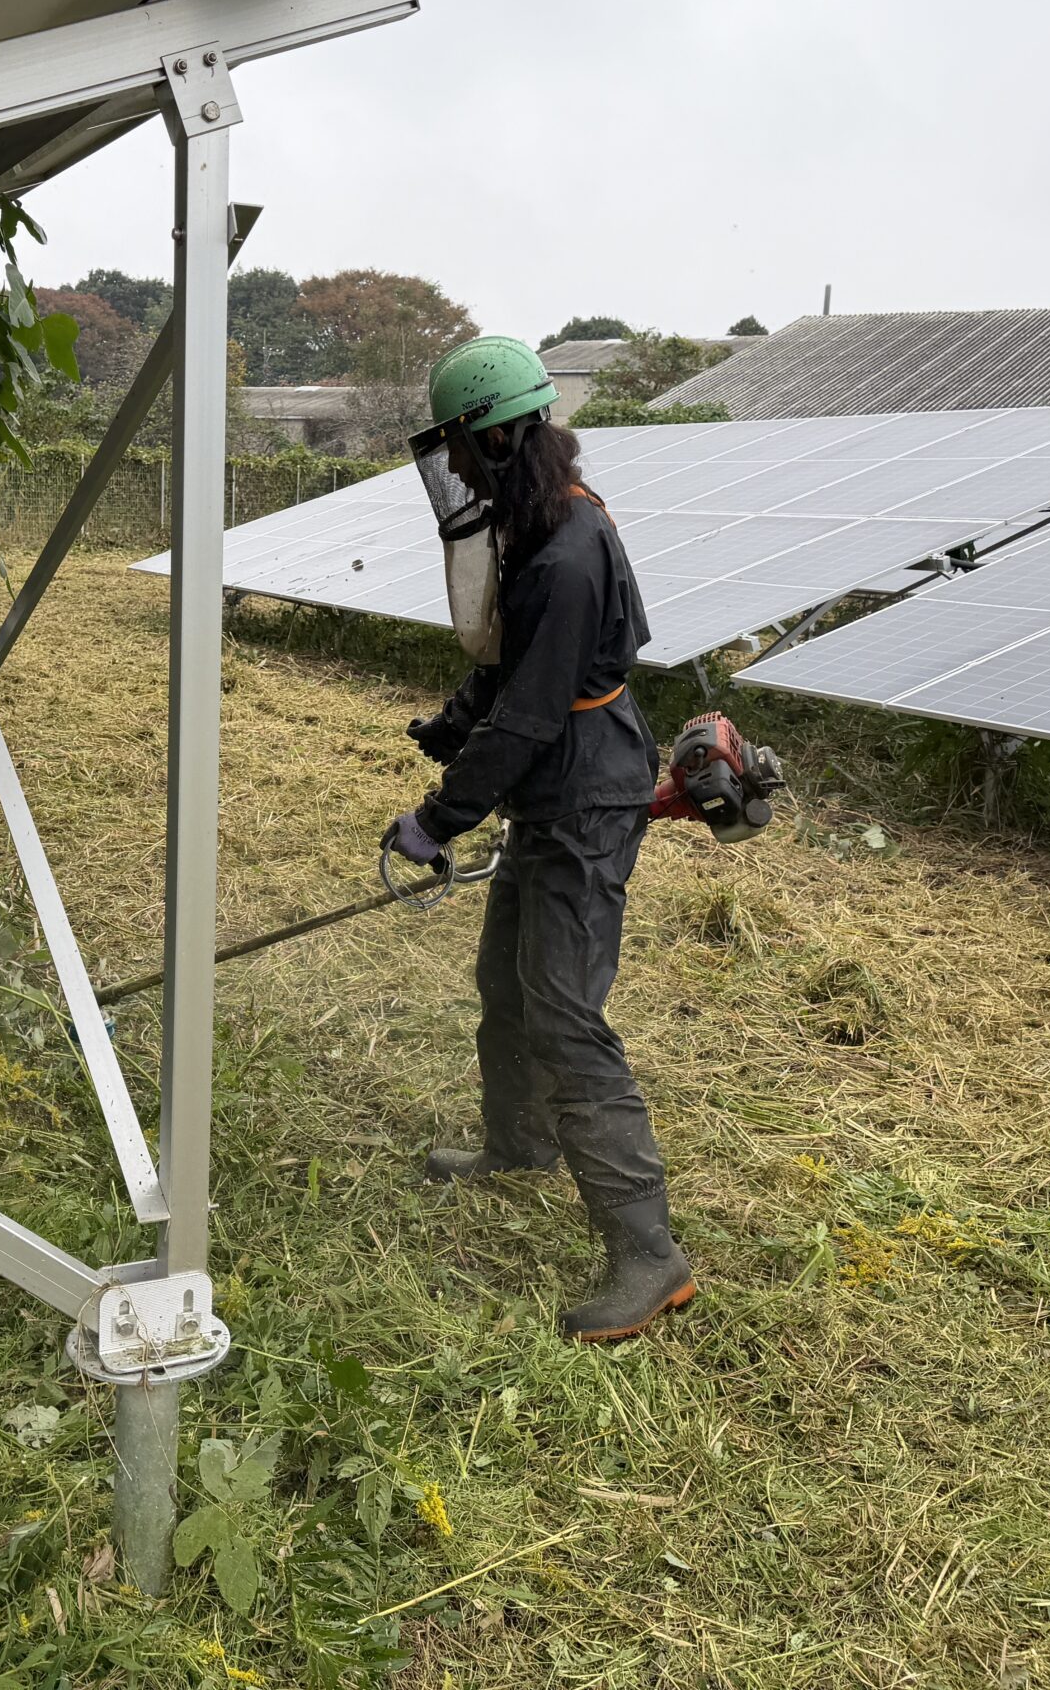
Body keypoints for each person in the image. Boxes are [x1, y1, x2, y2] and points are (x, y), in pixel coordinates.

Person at [382, 335, 695, 1344]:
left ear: (507, 435)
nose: (460, 471)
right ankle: (517, 1144)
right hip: (551, 786)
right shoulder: (540, 525)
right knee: (504, 983)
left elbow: (531, 718)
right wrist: (454, 716)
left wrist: (437, 821)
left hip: (584, 803)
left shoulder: (568, 552)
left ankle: (648, 1254)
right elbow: (513, 674)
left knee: (563, 1015)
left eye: (467, 450)